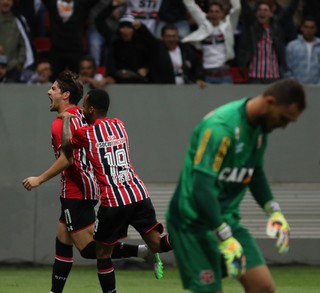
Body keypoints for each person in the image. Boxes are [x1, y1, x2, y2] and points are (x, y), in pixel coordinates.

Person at [22, 70, 163, 293]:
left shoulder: (61, 124)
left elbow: (67, 158)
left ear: (65, 95)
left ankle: (142, 252)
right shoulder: (82, 114)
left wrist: (38, 179)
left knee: (90, 250)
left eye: (54, 89)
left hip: (76, 191)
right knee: (63, 241)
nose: (49, 91)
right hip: (89, 187)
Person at [166, 78, 306, 293]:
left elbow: (254, 172)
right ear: (270, 102)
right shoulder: (221, 128)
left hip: (226, 220)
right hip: (192, 224)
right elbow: (201, 189)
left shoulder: (259, 130)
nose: (284, 126)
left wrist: (274, 212)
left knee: (263, 288)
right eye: (284, 118)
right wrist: (224, 236)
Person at [60, 88, 173, 293]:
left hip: (113, 201)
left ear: (92, 109)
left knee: (103, 253)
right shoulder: (119, 125)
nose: (83, 109)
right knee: (157, 245)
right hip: (138, 193)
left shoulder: (86, 133)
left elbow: (67, 146)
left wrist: (67, 120)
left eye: (85, 106)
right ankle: (184, 235)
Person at [237, 0, 299, 84]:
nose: (262, 12)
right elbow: (245, 9)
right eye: (259, 10)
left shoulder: (277, 27)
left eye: (265, 10)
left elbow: (289, 11)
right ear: (256, 14)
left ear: (271, 14)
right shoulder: (252, 27)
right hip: (255, 75)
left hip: (273, 75)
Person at [182, 0, 241, 84]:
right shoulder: (204, 24)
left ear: (222, 14)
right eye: (211, 11)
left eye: (217, 12)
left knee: (227, 98)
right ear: (208, 14)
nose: (214, 14)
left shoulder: (228, 26)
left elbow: (237, 8)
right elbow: (191, 5)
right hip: (207, 75)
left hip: (224, 74)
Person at [285, 16, 320, 84]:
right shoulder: (292, 46)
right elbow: (286, 67)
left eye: (311, 28)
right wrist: (292, 82)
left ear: (316, 29)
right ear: (301, 28)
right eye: (306, 27)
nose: (308, 30)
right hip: (296, 86)